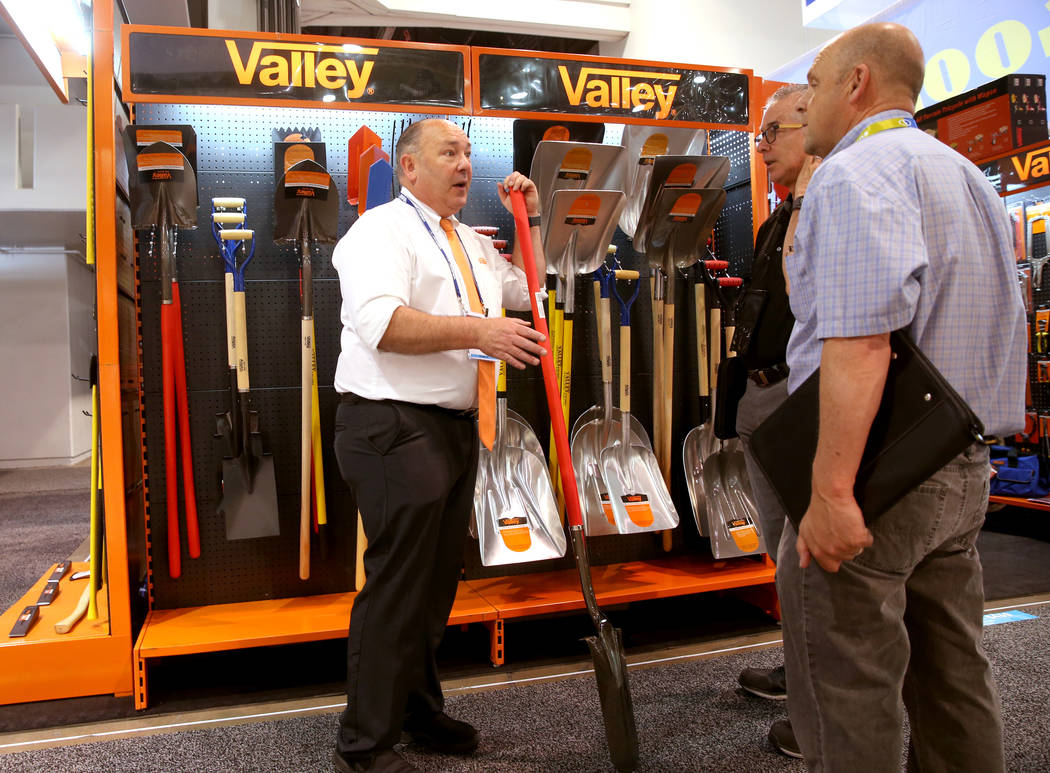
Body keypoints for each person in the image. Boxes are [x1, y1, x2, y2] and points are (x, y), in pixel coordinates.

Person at [781, 22, 1025, 772]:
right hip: (960, 468)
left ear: (857, 83)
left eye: (816, 84)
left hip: (879, 477)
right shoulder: (965, 176)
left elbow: (861, 342)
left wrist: (828, 492)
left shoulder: (857, 175)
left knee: (853, 685)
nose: (809, 101)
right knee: (954, 675)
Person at [330, 118, 547, 773]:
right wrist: (480, 329)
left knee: (432, 587)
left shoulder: (471, 245)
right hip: (391, 425)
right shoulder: (379, 231)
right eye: (448, 152)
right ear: (408, 167)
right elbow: (382, 323)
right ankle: (364, 744)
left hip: (454, 428)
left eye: (468, 153)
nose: (464, 164)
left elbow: (527, 290)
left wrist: (532, 221)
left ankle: (417, 712)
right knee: (398, 585)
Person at [731, 83, 819, 760]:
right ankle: (800, 672)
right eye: (758, 137)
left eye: (771, 134)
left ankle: (817, 703)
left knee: (806, 557)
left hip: (803, 398)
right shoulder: (774, 221)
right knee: (780, 549)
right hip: (762, 398)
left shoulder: (827, 211)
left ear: (811, 125)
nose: (762, 147)